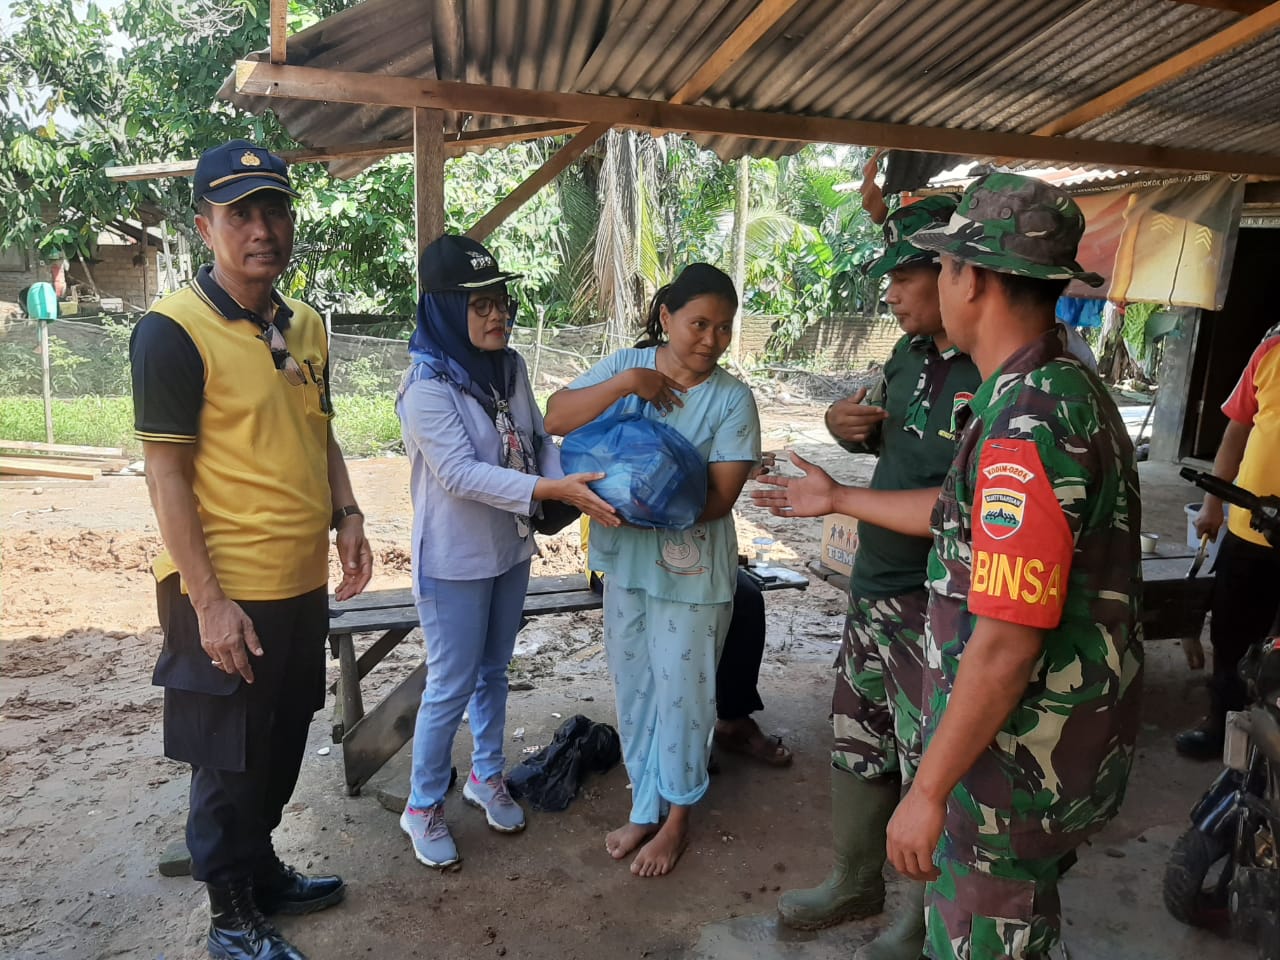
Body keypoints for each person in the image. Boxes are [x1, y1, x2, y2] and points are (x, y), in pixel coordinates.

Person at [754, 173, 1143, 960]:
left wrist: (926, 791)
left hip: (1013, 769)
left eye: (938, 267)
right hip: (1038, 755)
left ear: (973, 279)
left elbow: (1005, 641)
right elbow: (970, 542)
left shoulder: (1028, 422)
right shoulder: (1056, 390)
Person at [130, 139, 374, 960]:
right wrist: (208, 602)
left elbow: (321, 433)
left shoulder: (304, 325)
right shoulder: (171, 332)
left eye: (274, 209)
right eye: (241, 214)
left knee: (282, 735)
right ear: (206, 226)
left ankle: (261, 870)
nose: (262, 229)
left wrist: (348, 514)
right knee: (228, 758)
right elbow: (166, 478)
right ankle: (231, 913)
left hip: (297, 580)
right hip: (224, 586)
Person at [777, 196, 982, 960]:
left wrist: (837, 495)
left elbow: (968, 509)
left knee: (935, 760)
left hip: (939, 598)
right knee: (859, 739)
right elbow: (893, 455)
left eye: (905, 275)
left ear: (956, 272)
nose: (890, 294)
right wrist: (843, 429)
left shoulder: (993, 368)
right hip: (877, 584)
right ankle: (855, 878)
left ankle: (918, 917)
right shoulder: (907, 357)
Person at [395, 234, 619, 870]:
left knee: (495, 671)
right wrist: (549, 487)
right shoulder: (426, 387)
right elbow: (460, 474)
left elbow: (538, 436)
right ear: (442, 309)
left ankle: (486, 777)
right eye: (478, 304)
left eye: (500, 300)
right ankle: (422, 805)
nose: (496, 315)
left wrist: (556, 482)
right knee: (450, 684)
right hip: (454, 559)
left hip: (510, 548)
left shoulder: (511, 367)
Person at [544, 263, 761, 877]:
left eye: (724, 328)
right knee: (636, 691)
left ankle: (677, 819)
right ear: (666, 316)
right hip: (625, 566)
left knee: (685, 698)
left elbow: (717, 501)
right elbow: (557, 418)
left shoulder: (731, 399)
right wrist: (627, 384)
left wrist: (632, 506)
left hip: (691, 576)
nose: (711, 340)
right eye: (698, 323)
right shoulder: (625, 366)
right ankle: (644, 805)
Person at [1176, 319, 1280, 759]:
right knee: (1231, 637)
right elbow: (1237, 429)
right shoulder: (1271, 347)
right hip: (1248, 530)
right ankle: (1223, 726)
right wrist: (1212, 503)